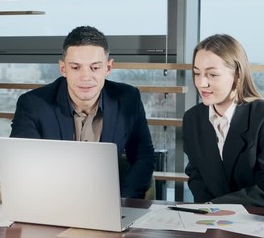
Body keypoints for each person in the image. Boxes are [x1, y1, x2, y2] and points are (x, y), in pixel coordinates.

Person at [10, 25, 156, 199]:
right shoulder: (33, 105)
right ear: (63, 68)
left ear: (108, 68)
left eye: (94, 68)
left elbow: (144, 157)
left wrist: (121, 201)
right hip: (50, 202)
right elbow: (23, 165)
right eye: (76, 67)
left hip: (108, 202)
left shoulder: (128, 99)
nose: (85, 77)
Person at [183, 34, 264, 207]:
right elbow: (196, 175)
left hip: (261, 218)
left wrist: (216, 206)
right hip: (212, 220)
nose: (201, 83)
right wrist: (207, 210)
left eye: (212, 75)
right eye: (197, 73)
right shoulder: (192, 119)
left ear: (237, 75)